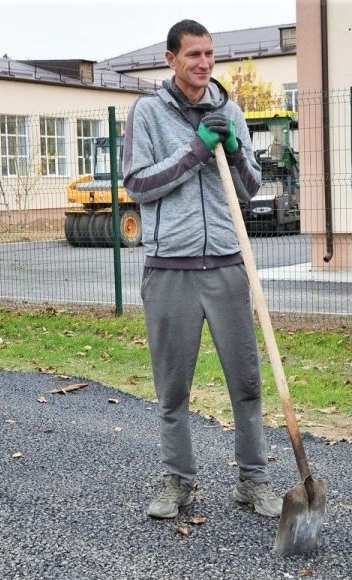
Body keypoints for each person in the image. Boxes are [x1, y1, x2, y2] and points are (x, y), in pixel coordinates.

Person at [123, 19, 282, 520]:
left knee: (247, 382)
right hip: (171, 267)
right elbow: (137, 186)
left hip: (230, 267)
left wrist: (234, 149)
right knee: (173, 387)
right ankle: (178, 481)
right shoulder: (148, 113)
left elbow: (251, 187)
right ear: (171, 59)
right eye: (193, 54)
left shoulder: (230, 109)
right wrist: (195, 149)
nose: (204, 63)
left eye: (210, 54)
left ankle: (252, 481)